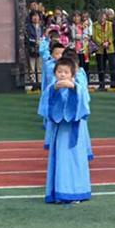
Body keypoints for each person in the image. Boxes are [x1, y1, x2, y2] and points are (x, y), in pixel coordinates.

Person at [39, 57, 91, 204]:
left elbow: (84, 105)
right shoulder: (52, 88)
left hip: (75, 130)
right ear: (54, 73)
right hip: (60, 130)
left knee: (76, 160)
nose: (62, 75)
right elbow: (46, 104)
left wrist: (73, 89)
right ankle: (60, 191)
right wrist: (54, 91)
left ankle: (77, 191)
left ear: (72, 74)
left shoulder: (79, 87)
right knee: (61, 159)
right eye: (59, 71)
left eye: (66, 72)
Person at [93, 10, 115, 91]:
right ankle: (101, 84)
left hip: (110, 47)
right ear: (98, 17)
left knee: (112, 66)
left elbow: (112, 35)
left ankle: (114, 84)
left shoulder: (110, 24)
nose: (102, 18)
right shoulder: (94, 25)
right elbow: (94, 37)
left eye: (103, 16)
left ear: (106, 17)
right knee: (101, 66)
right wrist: (102, 43)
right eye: (100, 17)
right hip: (100, 48)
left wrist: (108, 42)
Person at [25, 10, 44, 88]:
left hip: (41, 49)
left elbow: (44, 36)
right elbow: (27, 38)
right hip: (32, 49)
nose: (36, 18)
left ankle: (40, 83)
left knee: (39, 67)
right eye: (34, 16)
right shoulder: (28, 27)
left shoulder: (42, 27)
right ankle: (33, 84)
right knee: (32, 68)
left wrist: (41, 41)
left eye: (37, 16)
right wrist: (35, 41)